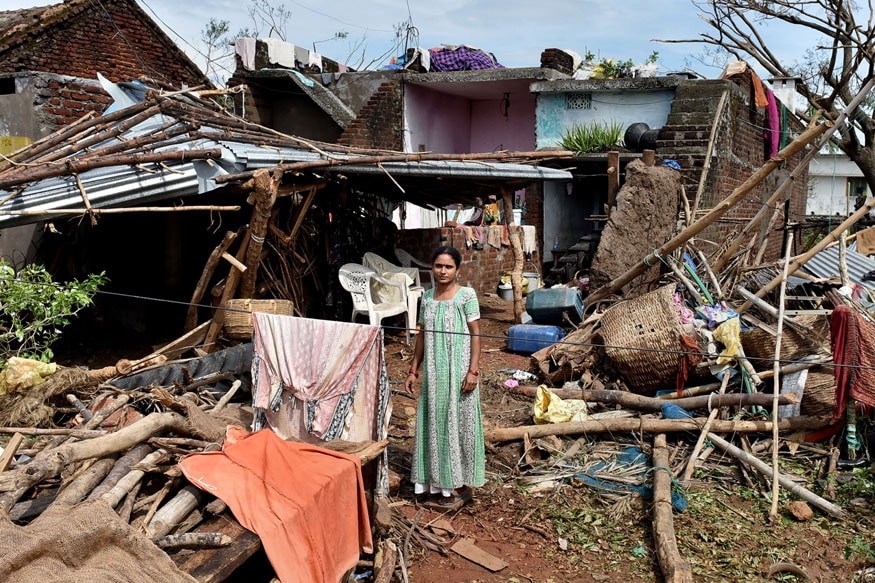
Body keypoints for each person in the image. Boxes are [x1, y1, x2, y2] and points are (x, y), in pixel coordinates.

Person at [404, 246, 485, 510]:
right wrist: (413, 370)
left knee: (458, 424)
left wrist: (473, 371)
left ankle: (459, 487)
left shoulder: (466, 296)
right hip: (433, 374)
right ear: (432, 267)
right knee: (435, 423)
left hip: (459, 372)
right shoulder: (427, 298)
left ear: (457, 270)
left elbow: (475, 334)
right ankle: (436, 484)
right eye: (439, 265)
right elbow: (422, 336)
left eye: (448, 266)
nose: (443, 271)